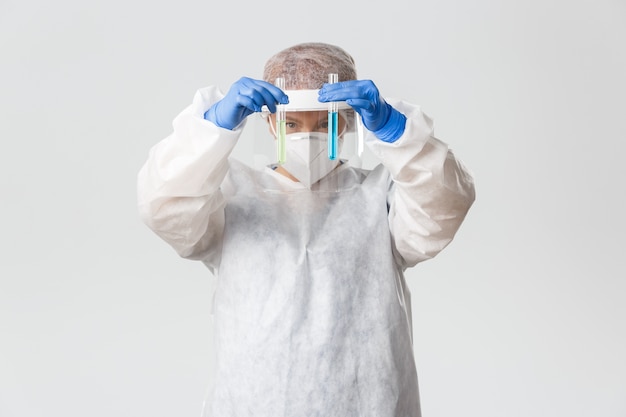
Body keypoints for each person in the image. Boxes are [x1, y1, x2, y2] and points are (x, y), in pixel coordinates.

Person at [137, 42, 475, 417]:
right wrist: (212, 128)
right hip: (252, 402)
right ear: (269, 122)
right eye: (292, 123)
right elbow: (163, 206)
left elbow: (443, 207)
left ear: (346, 121)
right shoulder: (232, 195)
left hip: (368, 403)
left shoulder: (380, 196)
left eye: (325, 121)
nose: (307, 136)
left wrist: (400, 135)